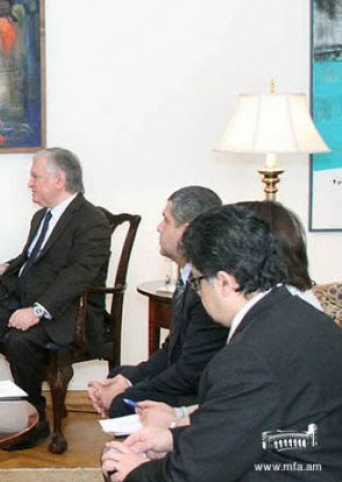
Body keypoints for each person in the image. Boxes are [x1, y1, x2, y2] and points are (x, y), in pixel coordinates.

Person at [101, 205, 342, 481]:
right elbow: (237, 427)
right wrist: (172, 437)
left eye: (197, 283)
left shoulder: (247, 358)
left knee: (115, 465)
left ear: (225, 283)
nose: (199, 293)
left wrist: (135, 471)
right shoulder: (304, 315)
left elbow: (193, 473)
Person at [0, 147, 111, 450]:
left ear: (59, 179)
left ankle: (34, 420)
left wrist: (37, 311)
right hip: (19, 296)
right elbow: (33, 256)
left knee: (20, 340)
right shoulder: (42, 216)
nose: (29, 183)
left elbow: (78, 274)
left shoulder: (91, 221)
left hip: (63, 310)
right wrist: (7, 266)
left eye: (35, 176)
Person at [137, 200, 325, 431]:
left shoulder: (252, 349)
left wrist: (174, 426)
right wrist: (179, 416)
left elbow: (233, 426)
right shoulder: (295, 311)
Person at [88, 186, 228, 418]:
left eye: (166, 220)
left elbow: (189, 373)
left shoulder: (209, 290)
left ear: (187, 231)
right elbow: (171, 350)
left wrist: (127, 391)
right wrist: (126, 381)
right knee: (118, 374)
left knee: (122, 403)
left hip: (201, 393)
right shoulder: (189, 275)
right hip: (184, 377)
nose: (159, 227)